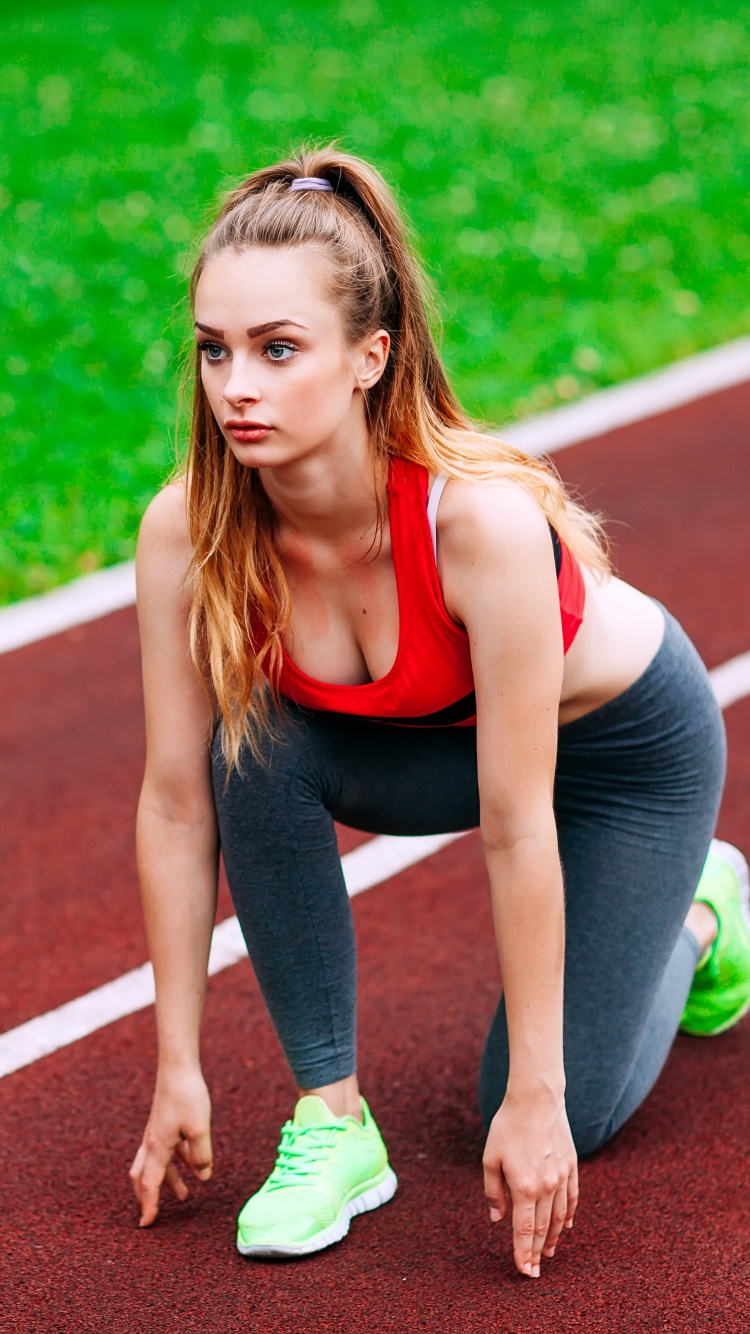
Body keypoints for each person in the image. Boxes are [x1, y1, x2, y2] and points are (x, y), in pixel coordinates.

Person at [128, 146, 750, 1277]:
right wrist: (177, 1063)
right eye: (214, 350)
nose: (237, 387)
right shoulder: (189, 531)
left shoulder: (483, 527)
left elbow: (520, 823)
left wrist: (540, 1096)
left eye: (278, 349)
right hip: (428, 740)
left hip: (615, 756)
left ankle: (699, 905)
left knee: (556, 1108)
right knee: (245, 749)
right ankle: (333, 1119)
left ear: (371, 357)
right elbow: (175, 803)